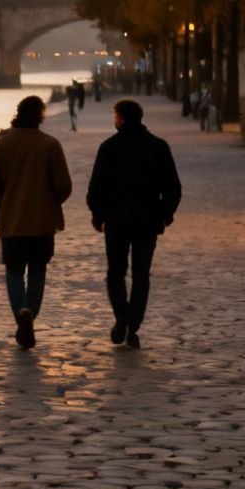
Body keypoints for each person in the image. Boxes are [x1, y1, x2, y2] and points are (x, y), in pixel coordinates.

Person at [86, 98, 182, 349]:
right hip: (147, 220)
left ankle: (121, 316)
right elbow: (173, 188)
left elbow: (96, 188)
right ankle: (133, 324)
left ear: (121, 118)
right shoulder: (158, 147)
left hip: (116, 221)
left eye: (115, 116)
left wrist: (98, 215)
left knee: (115, 273)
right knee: (141, 275)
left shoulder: (109, 147)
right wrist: (165, 214)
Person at [0, 95, 72, 349]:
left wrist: (2, 205)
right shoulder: (50, 145)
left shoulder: (2, 145)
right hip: (43, 223)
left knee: (13, 272)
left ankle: (20, 314)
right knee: (38, 271)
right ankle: (30, 313)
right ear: (41, 116)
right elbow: (64, 186)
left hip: (11, 223)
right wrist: (50, 202)